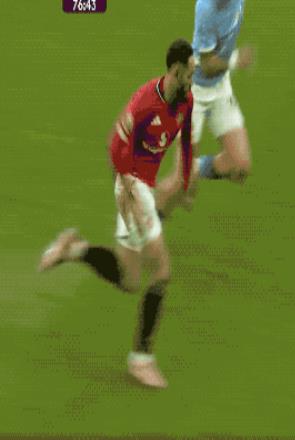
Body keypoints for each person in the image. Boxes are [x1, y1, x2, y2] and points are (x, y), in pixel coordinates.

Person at [38, 39, 195, 389]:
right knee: (162, 270)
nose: (193, 77)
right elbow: (115, 147)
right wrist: (127, 193)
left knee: (129, 279)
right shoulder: (145, 102)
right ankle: (141, 359)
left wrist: (184, 183)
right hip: (130, 185)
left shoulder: (186, 99)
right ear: (175, 70)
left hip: (144, 187)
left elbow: (185, 141)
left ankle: (73, 249)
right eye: (190, 72)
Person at [155, 0, 254, 218]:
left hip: (220, 87)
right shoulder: (207, 8)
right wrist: (236, 60)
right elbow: (208, 66)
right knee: (179, 183)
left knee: (239, 165)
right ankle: (145, 228)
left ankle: (192, 169)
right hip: (194, 94)